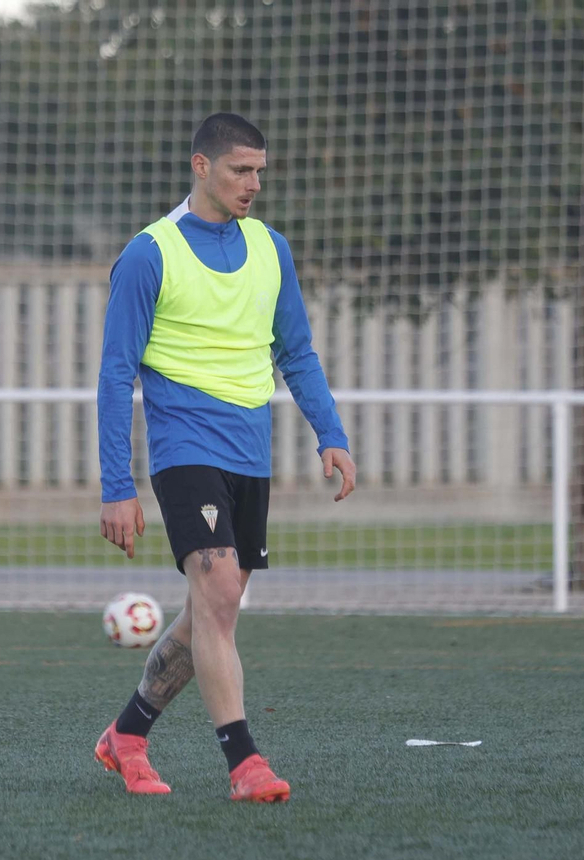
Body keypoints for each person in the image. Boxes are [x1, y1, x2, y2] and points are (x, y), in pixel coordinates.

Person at [94, 112, 357, 802]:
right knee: (215, 593)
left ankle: (127, 733)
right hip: (184, 447)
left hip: (249, 453)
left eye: (260, 171)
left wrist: (331, 432)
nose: (253, 184)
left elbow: (296, 351)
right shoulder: (149, 254)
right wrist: (116, 484)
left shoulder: (272, 248)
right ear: (201, 166)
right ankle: (245, 763)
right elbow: (115, 375)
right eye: (241, 170)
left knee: (218, 605)